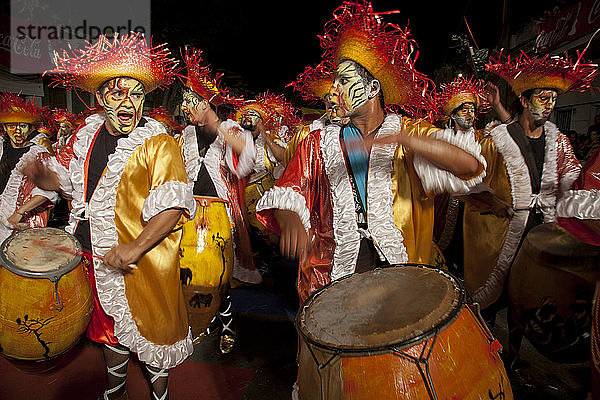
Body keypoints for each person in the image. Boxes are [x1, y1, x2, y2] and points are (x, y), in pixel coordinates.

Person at [255, 1, 486, 305]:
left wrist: (401, 137)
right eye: (334, 82)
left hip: (399, 273)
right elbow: (288, 191)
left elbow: (469, 164)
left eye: (345, 81)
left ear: (373, 88)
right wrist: (290, 220)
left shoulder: (410, 134)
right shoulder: (317, 141)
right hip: (332, 271)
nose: (335, 90)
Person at [31, 33, 196, 400]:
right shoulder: (86, 136)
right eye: (118, 94)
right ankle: (115, 392)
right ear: (102, 98)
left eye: (136, 94)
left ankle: (159, 397)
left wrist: (135, 249)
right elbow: (81, 190)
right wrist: (51, 182)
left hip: (145, 262)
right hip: (94, 255)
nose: (128, 102)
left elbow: (172, 207)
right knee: (108, 333)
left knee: (153, 336)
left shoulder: (159, 143)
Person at [178, 47, 256, 353]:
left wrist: (219, 127)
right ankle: (193, 322)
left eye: (188, 102)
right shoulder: (185, 133)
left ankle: (226, 325)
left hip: (220, 214)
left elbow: (248, 158)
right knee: (186, 273)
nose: (184, 108)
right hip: (188, 212)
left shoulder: (230, 129)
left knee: (218, 276)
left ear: (204, 102)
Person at [431, 76, 492, 276]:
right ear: (453, 115)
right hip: (447, 205)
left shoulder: (483, 139)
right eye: (464, 110)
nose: (469, 114)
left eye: (472, 110)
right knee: (448, 255)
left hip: (475, 207)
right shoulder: (442, 138)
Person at [0, 92, 58, 242]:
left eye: (23, 126)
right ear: (5, 128)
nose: (18, 131)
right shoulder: (1, 147)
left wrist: (19, 212)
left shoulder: (37, 153)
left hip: (17, 220)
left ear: (30, 128)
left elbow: (48, 191)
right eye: (12, 126)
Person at [284, 59, 348, 167]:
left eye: (340, 101)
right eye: (329, 101)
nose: (333, 105)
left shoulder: (374, 130)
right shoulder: (306, 135)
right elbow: (290, 166)